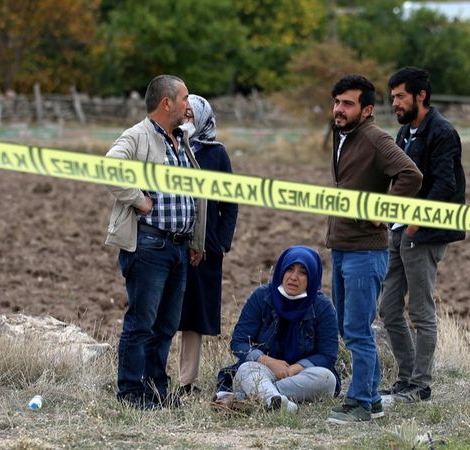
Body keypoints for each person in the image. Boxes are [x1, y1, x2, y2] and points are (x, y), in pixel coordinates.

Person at [104, 74, 207, 410]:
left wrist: (194, 238)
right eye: (185, 98)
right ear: (167, 103)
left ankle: (155, 389)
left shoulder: (181, 140)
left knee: (164, 326)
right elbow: (110, 167)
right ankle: (131, 393)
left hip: (178, 247)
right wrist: (138, 199)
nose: (188, 105)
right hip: (149, 246)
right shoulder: (137, 136)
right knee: (142, 324)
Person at [325, 75, 422, 424]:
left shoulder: (375, 138)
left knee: (357, 329)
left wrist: (383, 211)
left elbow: (411, 175)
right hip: (342, 246)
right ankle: (372, 397)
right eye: (337, 101)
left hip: (366, 252)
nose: (339, 109)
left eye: (347, 103)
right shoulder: (343, 135)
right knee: (347, 326)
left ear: (366, 109)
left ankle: (364, 402)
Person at [379, 66, 466, 403]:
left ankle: (420, 384)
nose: (395, 103)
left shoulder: (442, 132)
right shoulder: (405, 134)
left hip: (425, 233)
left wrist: (416, 223)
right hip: (400, 231)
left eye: (400, 96)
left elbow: (446, 184)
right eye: (392, 98)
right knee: (388, 309)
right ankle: (406, 378)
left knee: (420, 311)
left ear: (421, 96)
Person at [213, 246, 340, 413]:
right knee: (246, 369)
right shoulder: (261, 296)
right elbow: (239, 342)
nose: (294, 277)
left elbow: (327, 355)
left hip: (299, 375)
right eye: (289, 269)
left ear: (312, 278)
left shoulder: (322, 306)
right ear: (281, 270)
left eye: (303, 272)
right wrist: (269, 362)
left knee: (327, 379)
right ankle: (277, 403)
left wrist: (295, 368)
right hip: (261, 370)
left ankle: (248, 398)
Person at [176, 95, 238, 396]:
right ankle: (154, 377)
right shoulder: (170, 148)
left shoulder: (216, 154)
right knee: (165, 311)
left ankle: (186, 381)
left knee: (194, 314)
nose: (186, 119)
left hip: (207, 248)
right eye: (182, 113)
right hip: (172, 242)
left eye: (191, 115)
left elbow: (229, 202)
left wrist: (221, 243)